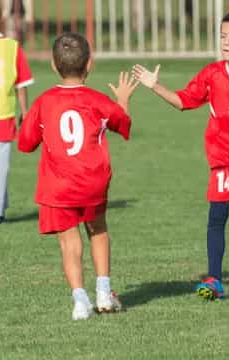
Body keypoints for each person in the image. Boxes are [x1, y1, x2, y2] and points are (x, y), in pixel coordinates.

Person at [133, 10, 229, 301]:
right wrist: (155, 86)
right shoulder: (211, 74)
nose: (226, 43)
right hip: (221, 157)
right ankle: (214, 279)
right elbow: (183, 101)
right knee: (217, 215)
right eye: (223, 36)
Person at [18, 32, 139, 320]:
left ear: (52, 64)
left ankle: (80, 300)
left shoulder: (45, 102)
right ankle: (104, 291)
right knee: (98, 230)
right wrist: (122, 99)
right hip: (92, 181)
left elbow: (25, 144)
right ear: (90, 64)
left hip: (57, 186)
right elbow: (123, 124)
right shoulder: (97, 101)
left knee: (68, 242)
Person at [0, 0, 33, 224]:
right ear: (0, 18)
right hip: (2, 116)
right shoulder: (13, 47)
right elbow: (21, 85)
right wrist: (25, 111)